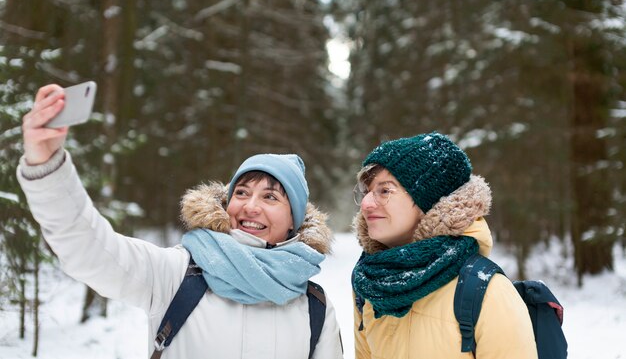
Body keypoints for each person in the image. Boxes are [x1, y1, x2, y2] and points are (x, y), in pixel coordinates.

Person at [17, 84, 344, 359]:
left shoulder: (314, 308)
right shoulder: (175, 274)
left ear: (294, 222)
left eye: (271, 197)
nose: (251, 206)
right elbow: (88, 248)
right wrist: (47, 165)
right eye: (241, 192)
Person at [350, 132, 537, 359]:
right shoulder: (370, 285)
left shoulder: (487, 292)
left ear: (428, 200)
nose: (367, 204)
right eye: (367, 192)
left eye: (385, 191)